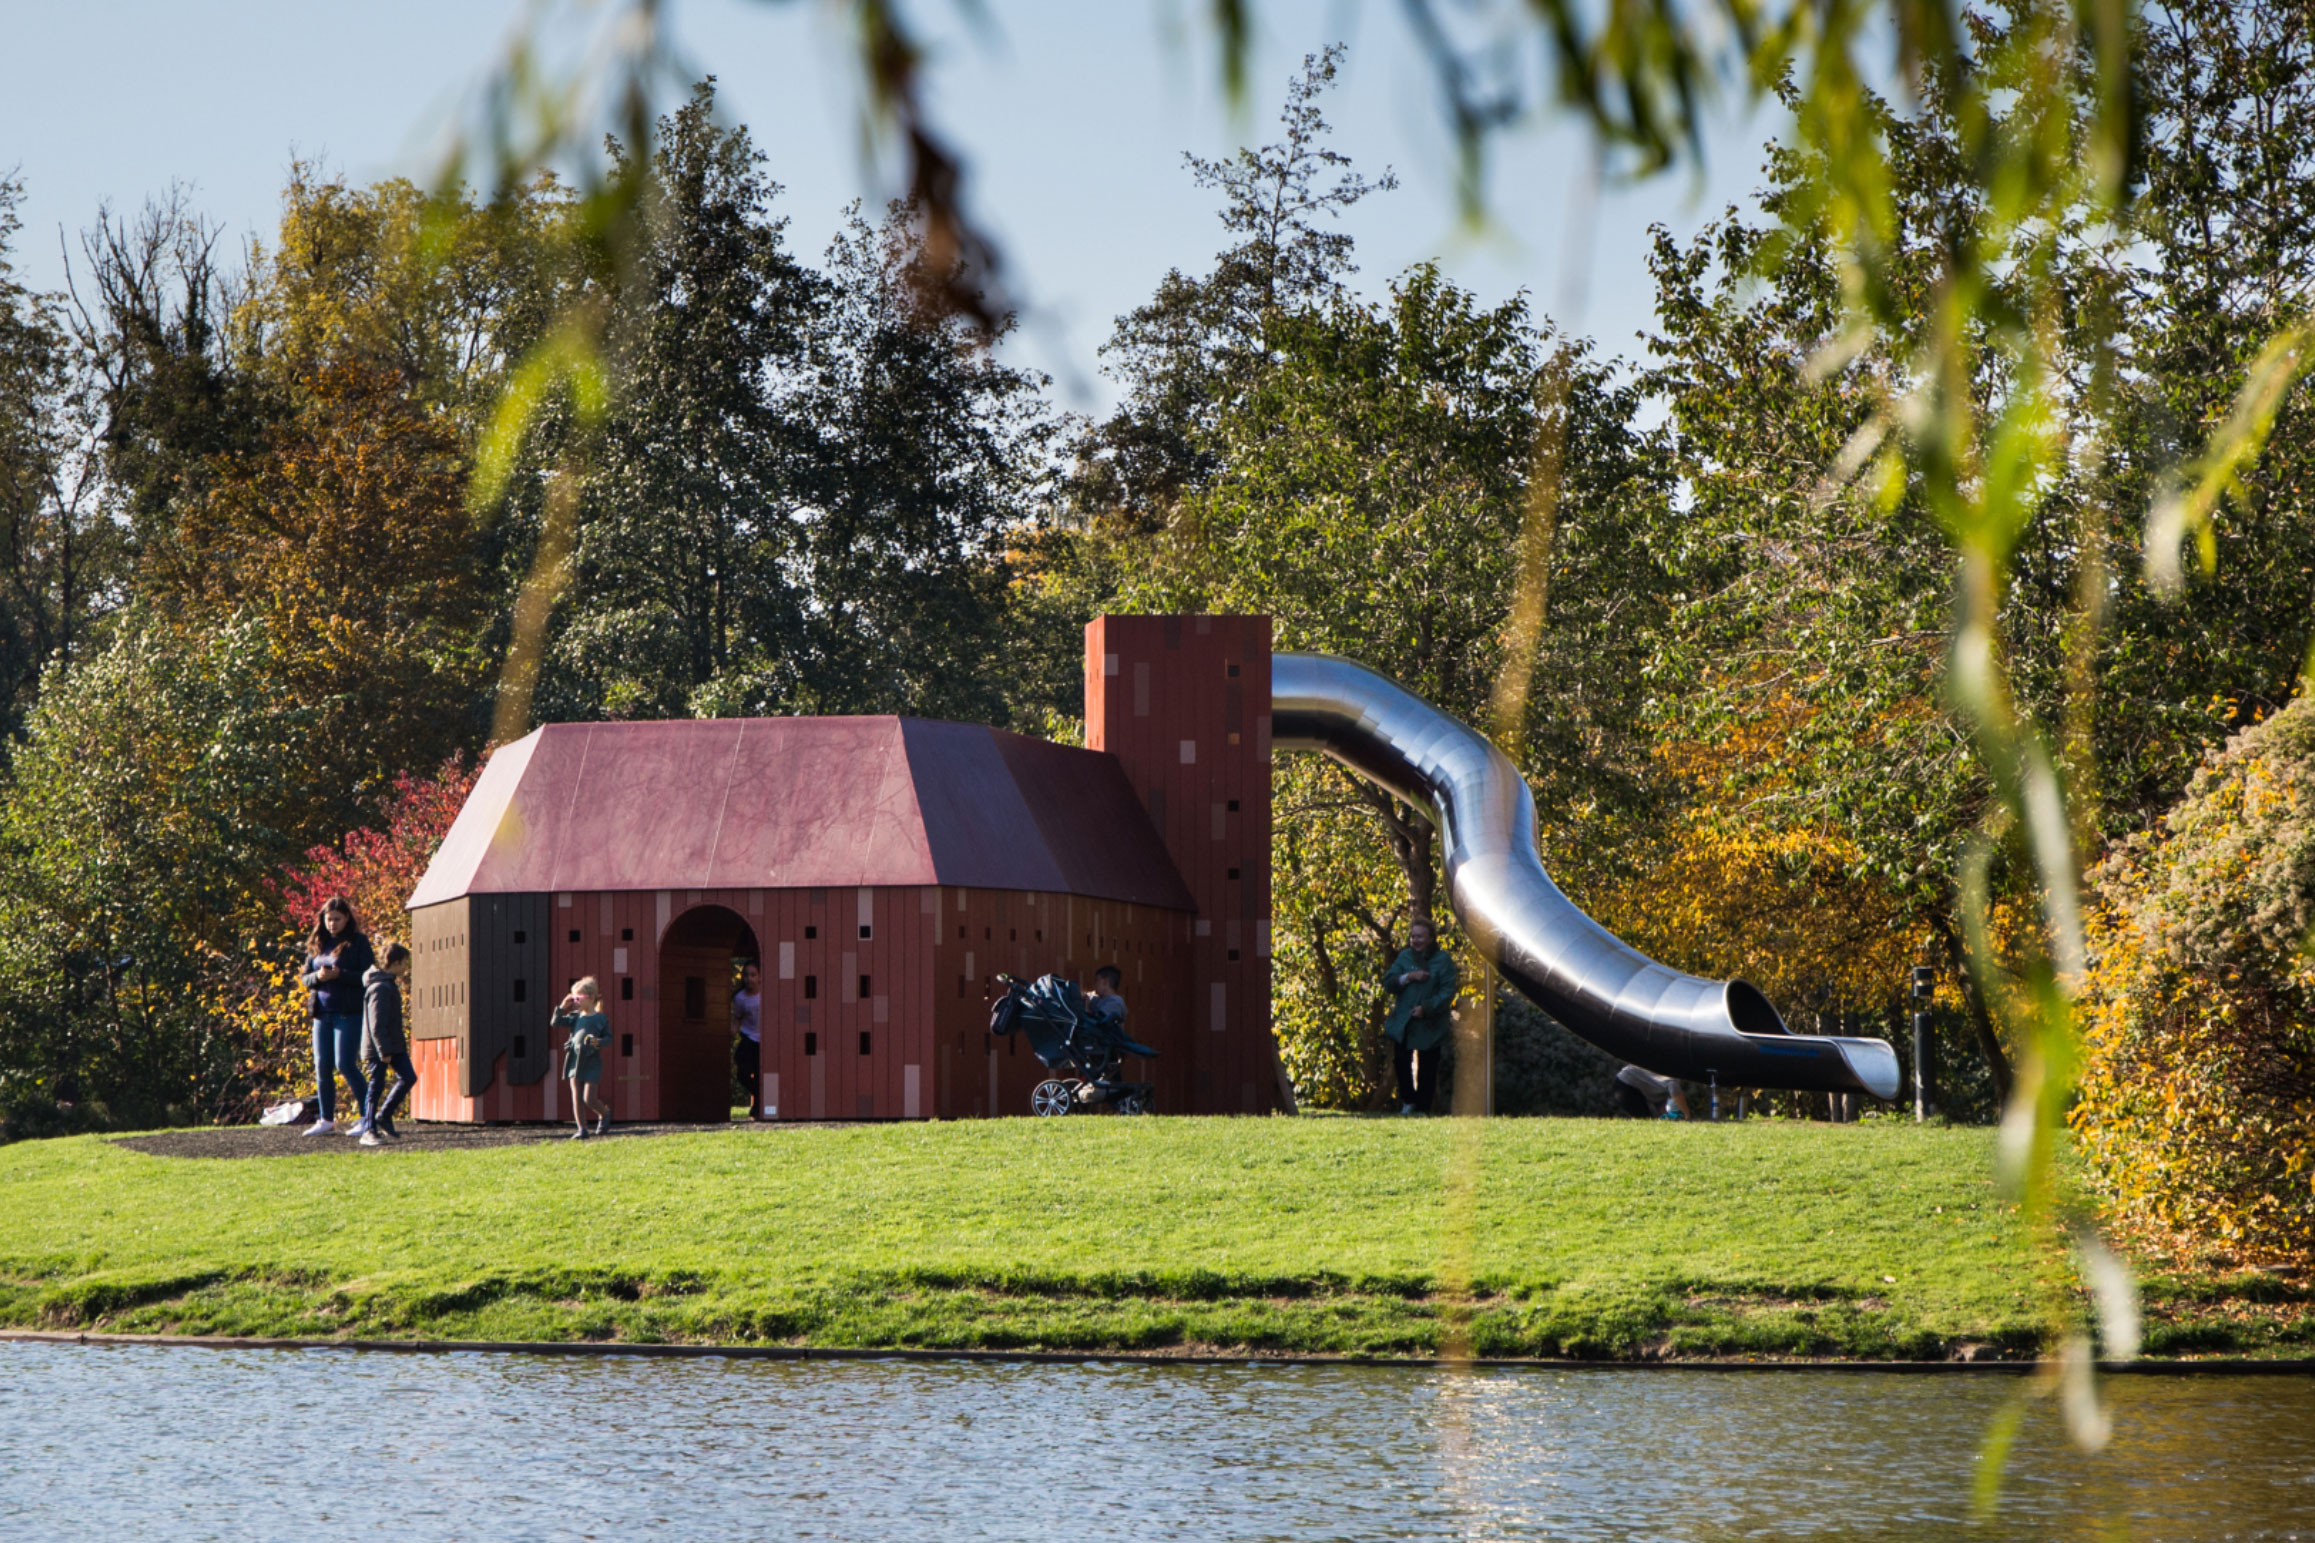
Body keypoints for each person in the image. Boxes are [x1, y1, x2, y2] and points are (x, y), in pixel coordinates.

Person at [300, 897, 376, 1136]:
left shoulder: (358, 942)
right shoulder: (317, 943)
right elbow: (305, 978)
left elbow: (367, 976)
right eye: (328, 919)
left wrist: (340, 975)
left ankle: (368, 1116)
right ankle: (326, 1119)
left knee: (345, 1063)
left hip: (348, 1013)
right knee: (322, 1066)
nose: (332, 924)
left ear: (347, 919)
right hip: (322, 1014)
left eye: (337, 919)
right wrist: (319, 978)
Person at [1382, 920, 1458, 1115]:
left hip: (1430, 1022)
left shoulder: (1443, 960)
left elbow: (1448, 991)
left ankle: (1423, 1108)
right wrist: (1409, 977)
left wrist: (1426, 1008)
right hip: (1404, 1021)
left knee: (1428, 1066)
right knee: (1400, 1061)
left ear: (1431, 938)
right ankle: (1408, 1101)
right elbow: (1389, 983)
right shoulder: (1405, 956)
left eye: (1420, 936)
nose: (1415, 940)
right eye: (1413, 936)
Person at [358, 944, 418, 1146]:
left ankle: (384, 1115)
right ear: (396, 962)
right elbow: (376, 1024)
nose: (406, 966)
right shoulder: (380, 988)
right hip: (379, 1047)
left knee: (408, 1077)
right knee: (376, 1087)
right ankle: (369, 1129)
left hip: (393, 1044)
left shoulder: (388, 984)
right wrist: (383, 1050)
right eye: (405, 962)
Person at [554, 976, 612, 1140]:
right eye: (574, 998)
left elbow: (609, 1038)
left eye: (578, 998)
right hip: (574, 1060)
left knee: (589, 1098)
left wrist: (598, 1042)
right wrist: (562, 1007)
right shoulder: (574, 1017)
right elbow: (555, 1022)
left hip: (592, 1062)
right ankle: (582, 1129)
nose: (575, 1002)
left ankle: (604, 1112)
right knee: (576, 1097)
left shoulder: (600, 1018)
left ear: (591, 998)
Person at [732, 960, 764, 1120]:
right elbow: (737, 1018)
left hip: (763, 1041)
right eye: (746, 975)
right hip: (748, 1038)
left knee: (760, 1075)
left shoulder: (766, 995)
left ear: (759, 977)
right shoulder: (740, 998)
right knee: (742, 1074)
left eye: (753, 975)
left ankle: (756, 1110)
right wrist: (732, 1031)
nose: (749, 979)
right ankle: (759, 1094)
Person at [1613, 1064, 1692, 1120]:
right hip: (1627, 1084)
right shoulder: (1674, 1074)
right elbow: (1673, 1086)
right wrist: (1687, 1115)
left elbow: (1661, 1106)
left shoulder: (1661, 1090)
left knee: (1651, 1121)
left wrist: (1666, 1117)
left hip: (1626, 1083)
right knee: (1646, 1122)